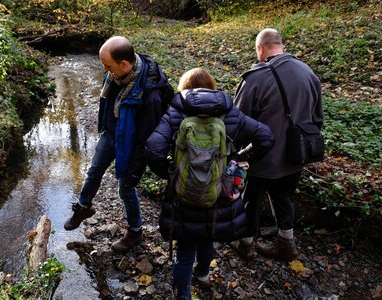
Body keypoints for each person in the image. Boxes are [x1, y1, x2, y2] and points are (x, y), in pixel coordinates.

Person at [145, 68, 274, 299]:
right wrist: (238, 159)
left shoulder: (175, 114)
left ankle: (182, 295)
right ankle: (203, 275)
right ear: (213, 87)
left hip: (183, 195)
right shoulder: (230, 114)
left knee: (185, 249)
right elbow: (266, 137)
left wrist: (169, 173)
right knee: (208, 235)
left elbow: (153, 148)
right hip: (218, 192)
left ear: (184, 89)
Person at [64, 36, 173, 254]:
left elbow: (147, 139)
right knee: (94, 171)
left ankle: (135, 232)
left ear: (124, 64)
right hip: (112, 133)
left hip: (131, 146)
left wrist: (134, 170)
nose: (105, 71)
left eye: (108, 66)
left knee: (126, 189)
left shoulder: (150, 95)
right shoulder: (119, 75)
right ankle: (84, 207)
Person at [232, 28, 323, 261]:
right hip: (296, 155)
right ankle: (287, 244)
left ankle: (246, 245)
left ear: (260, 48)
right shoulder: (308, 73)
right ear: (280, 45)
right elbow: (317, 119)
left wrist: (237, 153)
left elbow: (238, 122)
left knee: (251, 201)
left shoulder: (255, 78)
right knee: (284, 198)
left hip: (261, 157)